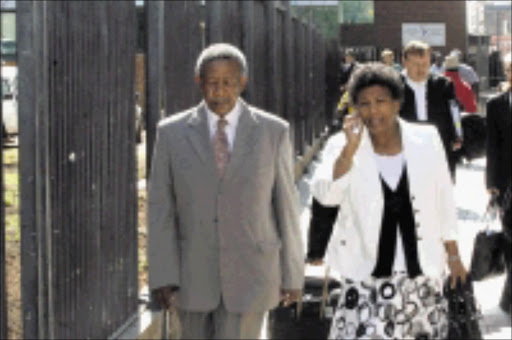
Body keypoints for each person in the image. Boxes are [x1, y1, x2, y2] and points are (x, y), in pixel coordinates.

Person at [147, 43, 304, 339]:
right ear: (199, 82)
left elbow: (286, 206)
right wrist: (163, 274)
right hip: (190, 276)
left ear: (242, 82)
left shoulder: (274, 132)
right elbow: (160, 209)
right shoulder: (171, 133)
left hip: (251, 275)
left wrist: (293, 273)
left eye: (228, 83)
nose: (220, 92)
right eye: (212, 83)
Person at [312, 63, 467, 339]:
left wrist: (453, 255)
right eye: (364, 104)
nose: (373, 111)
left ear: (397, 103)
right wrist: (349, 152)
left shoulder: (427, 138)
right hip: (365, 279)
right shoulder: (341, 145)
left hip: (419, 278)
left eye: (381, 101)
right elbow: (326, 196)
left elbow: (444, 199)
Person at [400, 40, 462, 181]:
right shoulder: (395, 87)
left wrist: (457, 134)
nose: (421, 69)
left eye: (425, 64)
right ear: (405, 62)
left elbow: (454, 114)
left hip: (438, 147)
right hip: (406, 149)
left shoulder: (443, 85)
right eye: (416, 64)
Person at [486, 52, 511, 315]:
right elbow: (492, 147)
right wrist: (492, 183)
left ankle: (508, 299)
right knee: (510, 240)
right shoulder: (496, 105)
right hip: (507, 186)